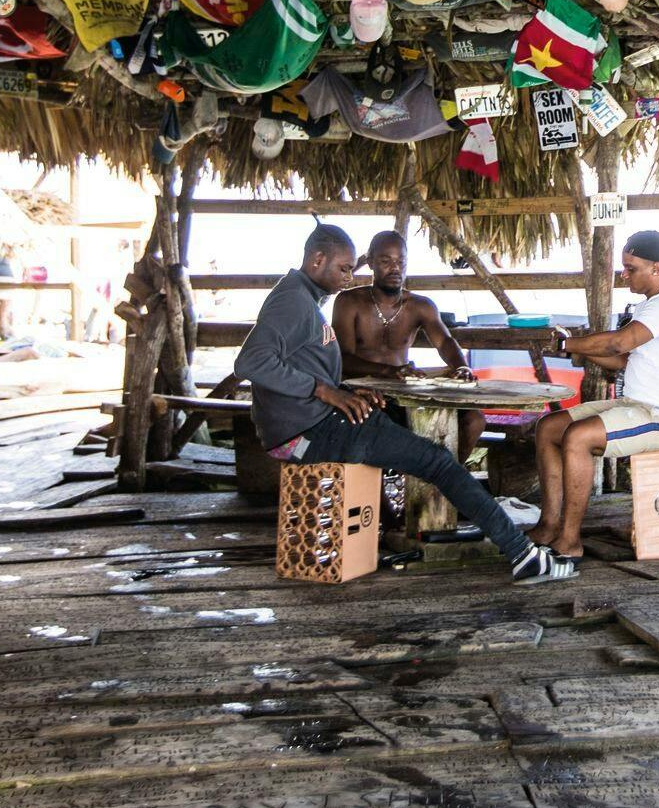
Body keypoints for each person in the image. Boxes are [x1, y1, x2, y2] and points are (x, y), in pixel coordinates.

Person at [236, 223, 563, 584]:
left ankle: (443, 531)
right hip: (308, 430)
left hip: (319, 420)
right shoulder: (292, 301)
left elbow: (300, 362)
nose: (349, 277)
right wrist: (325, 391)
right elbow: (251, 362)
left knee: (444, 445)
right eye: (344, 268)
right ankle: (521, 554)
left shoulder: (303, 297)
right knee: (438, 461)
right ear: (317, 259)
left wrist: (346, 392)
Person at [529, 230, 659, 570]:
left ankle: (570, 541)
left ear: (655, 268)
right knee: (549, 427)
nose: (624, 275)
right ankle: (549, 525)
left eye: (630, 268)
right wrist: (577, 350)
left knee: (578, 437)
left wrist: (570, 345)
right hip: (637, 406)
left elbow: (618, 344)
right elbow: (623, 361)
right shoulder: (648, 307)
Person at [333, 231, 487, 461]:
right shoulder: (349, 302)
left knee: (474, 420)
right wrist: (391, 372)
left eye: (401, 261)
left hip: (406, 390)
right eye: (386, 261)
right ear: (371, 262)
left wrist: (462, 367)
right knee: (376, 420)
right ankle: (383, 490)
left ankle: (446, 480)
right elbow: (342, 358)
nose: (395, 268)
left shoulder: (420, 306)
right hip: (363, 389)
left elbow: (444, 341)